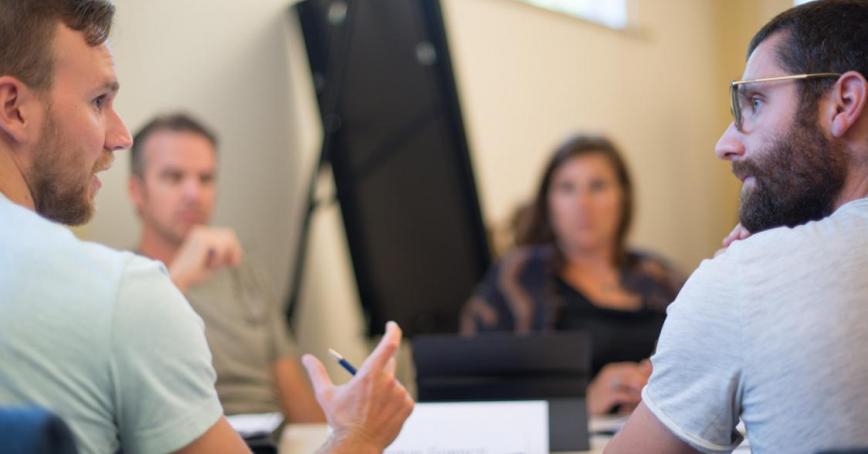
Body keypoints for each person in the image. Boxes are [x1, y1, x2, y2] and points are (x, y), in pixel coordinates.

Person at [0, 1, 413, 453]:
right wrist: (362, 433)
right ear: (13, 107)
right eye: (98, 100)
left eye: (205, 178)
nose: (120, 136)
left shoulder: (233, 279)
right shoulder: (124, 293)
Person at [606, 1, 868, 453]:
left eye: (756, 101)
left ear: (843, 102)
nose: (725, 143)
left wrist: (760, 270)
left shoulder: (747, 280)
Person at [460, 135, 684, 416]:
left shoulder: (659, 276)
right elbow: (475, 385)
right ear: (548, 202)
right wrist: (581, 405)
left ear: (623, 197)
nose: (583, 203)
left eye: (598, 186)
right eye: (567, 188)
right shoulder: (517, 277)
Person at [127, 112, 324, 423]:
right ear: (137, 192)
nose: (194, 194)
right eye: (174, 177)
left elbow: (293, 393)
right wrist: (180, 277)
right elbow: (130, 398)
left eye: (205, 178)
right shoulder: (122, 281)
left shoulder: (241, 270)